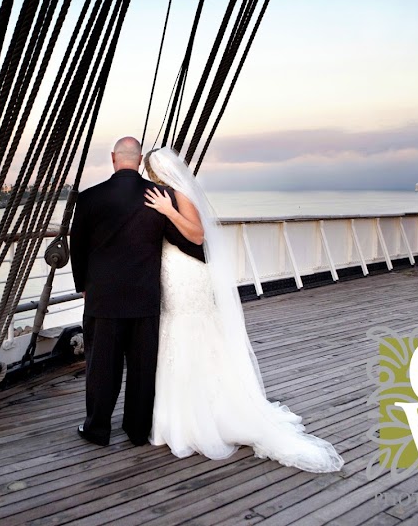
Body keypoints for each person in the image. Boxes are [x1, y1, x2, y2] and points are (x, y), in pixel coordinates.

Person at [142, 147, 344, 472]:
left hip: (187, 274)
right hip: (170, 270)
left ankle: (205, 418)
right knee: (173, 333)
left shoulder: (179, 196)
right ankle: (176, 416)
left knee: (192, 331)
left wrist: (169, 210)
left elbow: (196, 233)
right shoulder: (162, 194)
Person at [69, 137, 194, 446]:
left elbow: (78, 249)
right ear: (139, 161)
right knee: (142, 368)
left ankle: (97, 429)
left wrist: (83, 286)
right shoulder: (159, 197)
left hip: (103, 298)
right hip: (144, 296)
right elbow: (183, 239)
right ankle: (138, 431)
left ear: (114, 158)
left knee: (101, 369)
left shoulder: (88, 198)